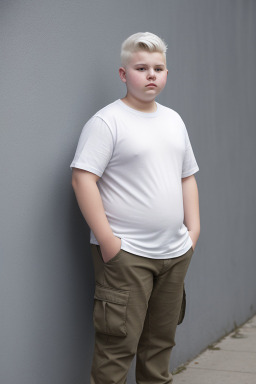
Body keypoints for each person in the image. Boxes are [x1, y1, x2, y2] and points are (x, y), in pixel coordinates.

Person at [71, 32, 200, 384]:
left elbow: (187, 176)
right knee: (117, 348)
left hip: (174, 252)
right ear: (123, 74)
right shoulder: (107, 122)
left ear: (167, 74)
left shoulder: (173, 120)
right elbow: (83, 180)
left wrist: (193, 231)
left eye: (158, 68)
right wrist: (109, 241)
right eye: (141, 68)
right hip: (128, 255)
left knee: (159, 344)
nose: (151, 74)